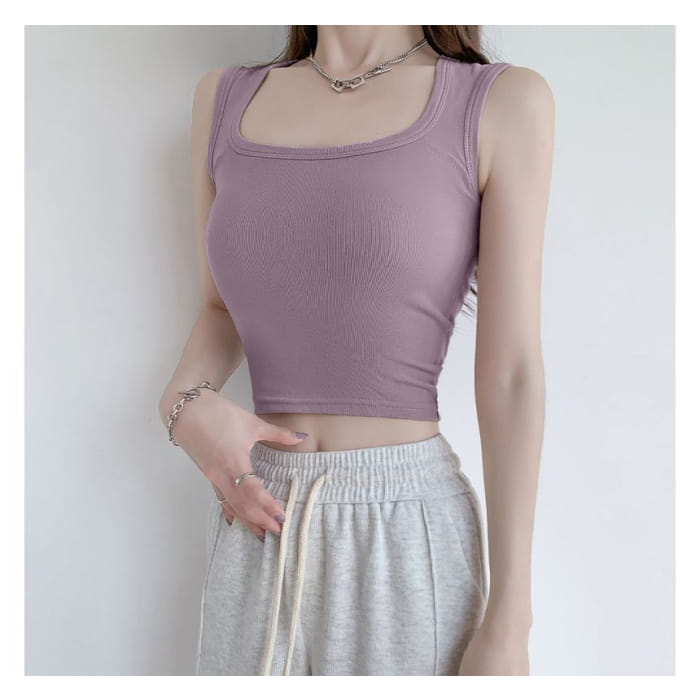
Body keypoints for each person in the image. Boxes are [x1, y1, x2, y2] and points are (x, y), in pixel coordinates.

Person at [158, 25, 553, 676]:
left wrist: (511, 621)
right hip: (256, 517)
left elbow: (511, 375)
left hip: (404, 532)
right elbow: (218, 308)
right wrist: (183, 404)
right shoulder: (221, 99)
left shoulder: (502, 102)